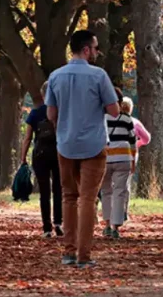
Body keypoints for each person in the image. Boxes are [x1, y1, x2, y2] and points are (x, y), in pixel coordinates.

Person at [46, 30, 120, 268]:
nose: (98, 52)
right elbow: (114, 110)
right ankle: (84, 256)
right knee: (88, 199)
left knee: (69, 197)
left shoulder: (56, 76)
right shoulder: (99, 76)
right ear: (86, 49)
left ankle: (68, 252)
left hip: (65, 144)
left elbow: (51, 114)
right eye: (96, 48)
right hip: (94, 144)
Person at [21, 81, 63, 238]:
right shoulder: (60, 112)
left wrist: (23, 157)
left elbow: (27, 138)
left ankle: (47, 228)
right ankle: (58, 222)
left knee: (44, 192)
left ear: (43, 94)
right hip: (59, 153)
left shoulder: (35, 113)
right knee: (58, 189)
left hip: (40, 154)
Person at [101, 95, 137, 239]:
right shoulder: (127, 119)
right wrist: (133, 161)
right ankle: (116, 227)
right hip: (123, 158)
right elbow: (133, 142)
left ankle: (107, 225)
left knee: (106, 192)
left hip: (105, 159)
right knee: (120, 192)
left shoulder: (102, 118)